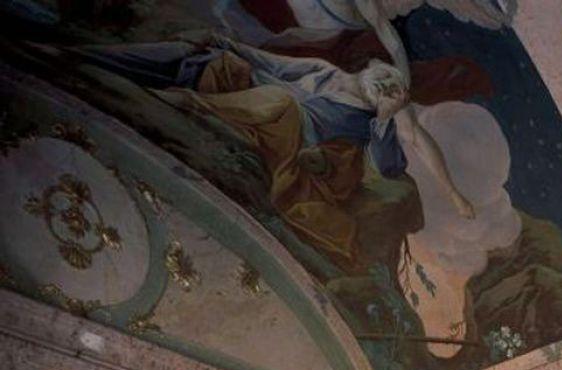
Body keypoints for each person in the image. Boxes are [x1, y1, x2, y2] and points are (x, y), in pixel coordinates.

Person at [67, 33, 476, 268]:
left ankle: (185, 102)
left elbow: (389, 166)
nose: (384, 87)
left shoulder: (371, 121)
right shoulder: (325, 73)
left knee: (282, 105)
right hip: (255, 100)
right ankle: (94, 59)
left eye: (389, 90)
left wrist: (387, 118)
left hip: (288, 139)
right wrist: (229, 42)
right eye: (385, 81)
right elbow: (273, 63)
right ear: (371, 68)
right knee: (220, 61)